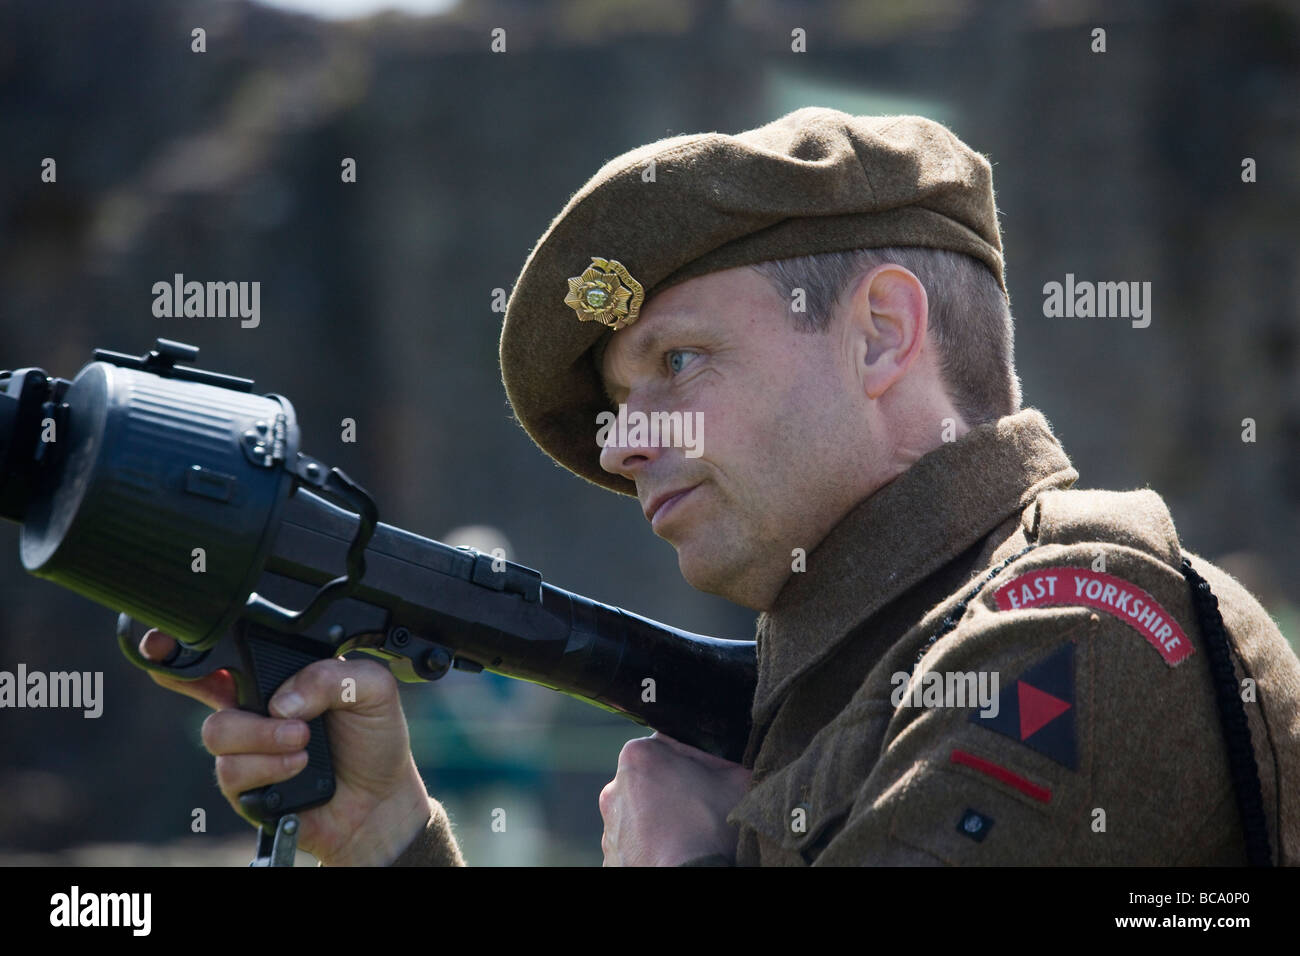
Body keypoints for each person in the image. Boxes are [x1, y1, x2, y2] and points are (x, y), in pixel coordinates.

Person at [143, 107, 1300, 866]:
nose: (621, 443)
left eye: (677, 361)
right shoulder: (860, 668)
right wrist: (393, 835)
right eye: (616, 398)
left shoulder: (1076, 628)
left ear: (881, 335)